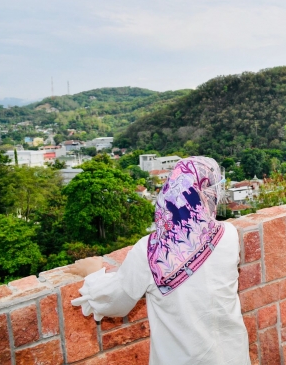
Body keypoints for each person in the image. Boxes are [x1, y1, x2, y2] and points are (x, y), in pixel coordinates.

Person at [67, 156, 251, 365]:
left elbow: (116, 301)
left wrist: (93, 274)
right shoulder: (228, 235)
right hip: (233, 355)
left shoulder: (150, 251)